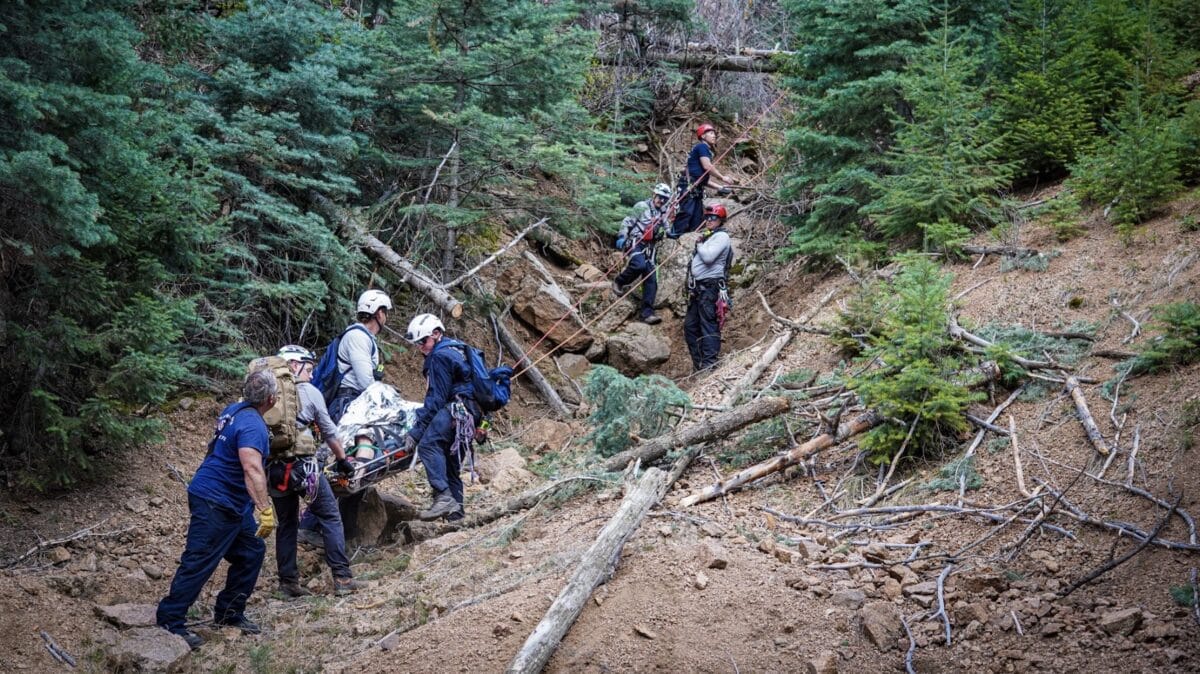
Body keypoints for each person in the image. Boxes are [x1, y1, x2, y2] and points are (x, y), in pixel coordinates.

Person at [156, 370, 278, 650]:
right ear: (271, 399)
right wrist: (265, 509)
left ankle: (229, 613)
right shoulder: (253, 426)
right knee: (200, 559)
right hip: (216, 500)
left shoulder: (234, 410)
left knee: (251, 552)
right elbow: (252, 468)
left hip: (229, 502)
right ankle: (170, 620)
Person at [271, 346, 360, 598]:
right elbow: (329, 431)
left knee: (286, 524)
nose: (311, 375)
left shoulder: (267, 392)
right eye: (308, 369)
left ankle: (288, 583)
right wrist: (342, 460)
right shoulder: (309, 392)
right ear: (294, 365)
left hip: (274, 470)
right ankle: (342, 578)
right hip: (303, 469)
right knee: (330, 515)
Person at [401, 313, 480, 522]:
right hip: (471, 412)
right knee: (449, 461)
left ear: (436, 333)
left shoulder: (439, 357)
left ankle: (444, 497)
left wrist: (416, 432)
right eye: (417, 343)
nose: (420, 347)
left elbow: (436, 399)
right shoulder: (459, 350)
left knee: (428, 445)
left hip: (456, 408)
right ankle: (456, 516)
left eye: (423, 341)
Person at [327, 289, 391, 424]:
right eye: (385, 312)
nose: (386, 317)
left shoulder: (363, 336)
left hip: (354, 400)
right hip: (349, 403)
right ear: (379, 313)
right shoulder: (358, 337)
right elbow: (365, 381)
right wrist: (386, 396)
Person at [612, 182, 673, 325]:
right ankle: (619, 281)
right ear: (654, 195)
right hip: (636, 242)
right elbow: (628, 221)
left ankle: (647, 314)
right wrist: (622, 236)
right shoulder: (642, 206)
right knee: (638, 265)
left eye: (664, 199)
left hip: (650, 248)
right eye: (660, 197)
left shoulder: (663, 212)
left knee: (651, 279)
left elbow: (667, 227)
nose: (661, 201)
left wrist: (670, 233)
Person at [683, 203, 734, 372]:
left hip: (710, 288)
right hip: (698, 289)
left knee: (708, 325)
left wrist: (699, 244)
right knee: (690, 327)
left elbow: (708, 257)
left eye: (713, 218)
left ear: (720, 220)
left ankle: (709, 365)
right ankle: (699, 365)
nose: (709, 220)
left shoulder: (721, 237)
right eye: (707, 218)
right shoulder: (709, 237)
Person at [671, 123, 738, 237]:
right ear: (703, 136)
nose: (714, 136)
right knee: (686, 213)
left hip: (696, 189)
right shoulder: (702, 147)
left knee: (697, 218)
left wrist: (720, 187)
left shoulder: (704, 150)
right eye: (711, 133)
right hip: (689, 187)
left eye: (714, 134)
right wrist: (722, 178)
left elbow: (703, 180)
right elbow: (707, 166)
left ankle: (690, 239)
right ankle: (674, 236)